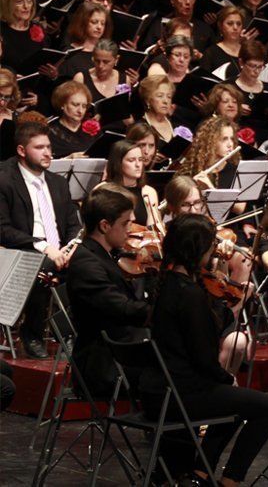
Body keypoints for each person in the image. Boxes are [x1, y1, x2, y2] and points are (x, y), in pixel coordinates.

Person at [139, 214, 268, 486]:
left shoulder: (164, 283)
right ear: (197, 250)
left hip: (158, 391)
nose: (213, 251)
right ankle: (229, 481)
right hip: (181, 395)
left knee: (232, 400)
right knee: (266, 408)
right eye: (209, 246)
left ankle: (201, 475)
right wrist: (227, 378)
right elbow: (204, 359)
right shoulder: (189, 294)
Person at [0, 122, 82, 358]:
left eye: (49, 146)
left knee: (89, 262)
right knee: (43, 266)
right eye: (39, 147)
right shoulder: (5, 180)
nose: (48, 153)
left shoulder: (58, 182)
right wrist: (45, 247)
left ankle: (73, 333)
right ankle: (32, 334)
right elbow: (3, 228)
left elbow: (72, 224)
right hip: (20, 248)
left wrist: (70, 247)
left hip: (58, 249)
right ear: (22, 150)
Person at [67, 185, 151, 396]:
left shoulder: (105, 254)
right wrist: (164, 312)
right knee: (177, 373)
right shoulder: (86, 262)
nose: (130, 230)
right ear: (104, 226)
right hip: (104, 366)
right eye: (125, 224)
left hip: (120, 351)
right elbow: (121, 308)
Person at [98, 140, 160, 226]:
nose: (138, 165)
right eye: (131, 160)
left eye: (140, 159)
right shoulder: (103, 190)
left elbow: (153, 230)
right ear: (118, 163)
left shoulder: (148, 192)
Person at [142, 0, 214, 53]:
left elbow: (213, 58)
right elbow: (145, 49)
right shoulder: (159, 25)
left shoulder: (205, 29)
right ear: (172, 0)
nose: (188, 2)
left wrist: (200, 57)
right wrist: (155, 50)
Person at [177, 115, 240, 190]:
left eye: (232, 139)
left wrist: (210, 189)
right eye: (224, 139)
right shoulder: (192, 168)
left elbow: (240, 202)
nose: (230, 144)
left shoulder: (236, 172)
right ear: (210, 141)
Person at [0, 0, 49, 74]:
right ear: (7, 3)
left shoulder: (37, 28)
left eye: (29, 1)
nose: (26, 6)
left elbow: (45, 64)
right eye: (19, 1)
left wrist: (52, 74)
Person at [73, 39, 138, 103]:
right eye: (97, 61)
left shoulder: (124, 80)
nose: (100, 66)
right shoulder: (81, 78)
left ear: (116, 59)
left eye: (106, 62)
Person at [59, 1, 113, 77]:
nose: (99, 27)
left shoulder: (108, 51)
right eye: (94, 22)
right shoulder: (70, 53)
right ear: (83, 23)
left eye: (102, 23)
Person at [48, 80, 98, 158]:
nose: (80, 111)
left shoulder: (94, 128)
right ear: (62, 104)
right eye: (75, 105)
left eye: (84, 106)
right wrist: (67, 159)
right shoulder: (49, 131)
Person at [200, 5, 248, 76]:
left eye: (238, 24)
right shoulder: (211, 53)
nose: (235, 27)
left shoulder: (248, 51)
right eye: (230, 23)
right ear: (220, 26)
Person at [138, 74, 186, 143]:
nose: (165, 101)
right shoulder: (139, 127)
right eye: (160, 96)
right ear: (147, 100)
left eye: (169, 97)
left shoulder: (177, 124)